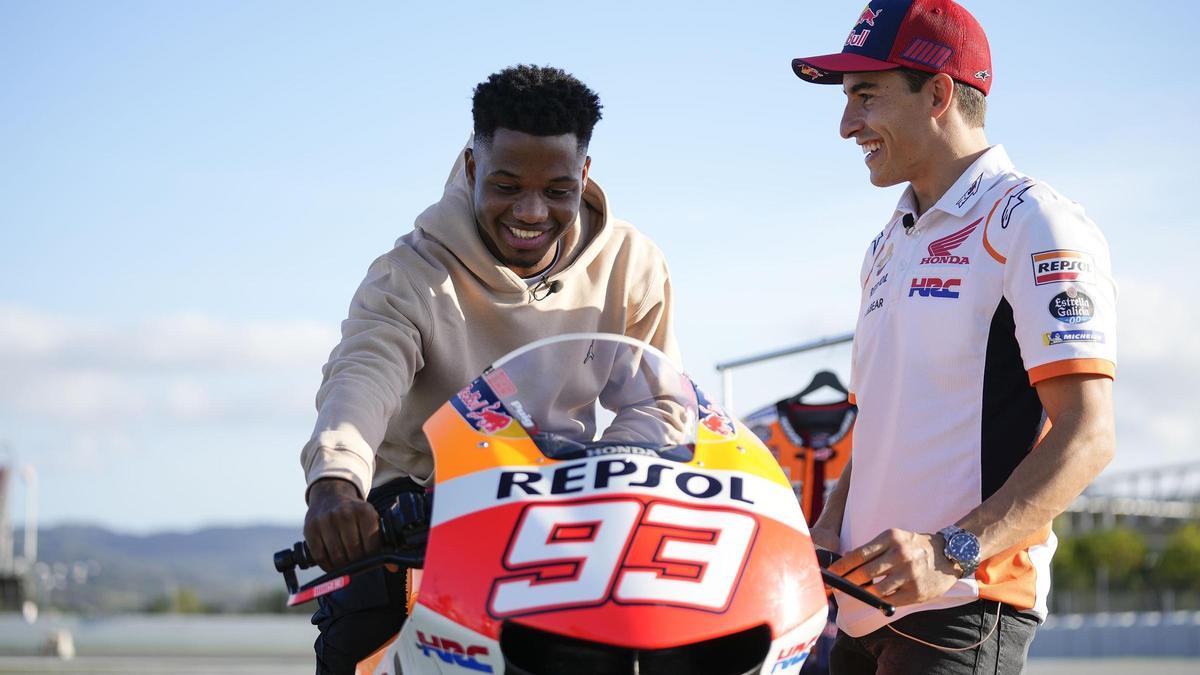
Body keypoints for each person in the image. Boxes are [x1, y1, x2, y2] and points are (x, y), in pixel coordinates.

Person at [299, 64, 678, 674]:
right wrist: (336, 482)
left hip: (564, 511)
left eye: (557, 190)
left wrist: (610, 468)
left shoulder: (633, 262)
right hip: (422, 513)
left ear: (583, 175)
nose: (531, 211)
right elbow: (362, 372)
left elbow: (658, 400)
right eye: (506, 185)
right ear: (472, 168)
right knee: (363, 637)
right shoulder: (409, 273)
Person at [790, 1, 1117, 673]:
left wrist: (950, 551)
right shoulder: (885, 243)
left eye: (866, 96)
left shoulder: (1033, 221)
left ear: (938, 92)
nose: (847, 124)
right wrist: (831, 521)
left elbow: (1088, 434)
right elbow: (885, 423)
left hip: (966, 606)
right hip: (861, 608)